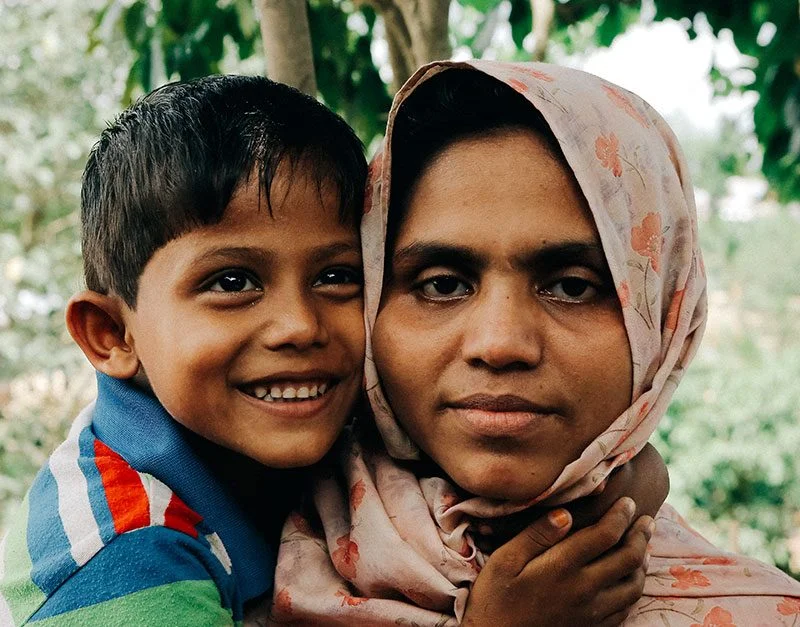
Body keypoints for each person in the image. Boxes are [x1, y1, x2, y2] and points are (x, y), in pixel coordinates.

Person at [269, 61, 800, 625]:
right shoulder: (227, 522)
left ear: (663, 320)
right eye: (443, 285)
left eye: (572, 287)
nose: (499, 345)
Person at [0, 75, 368, 625]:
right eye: (231, 282)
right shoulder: (127, 556)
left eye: (337, 275)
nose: (299, 326)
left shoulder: (244, 451)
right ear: (112, 334)